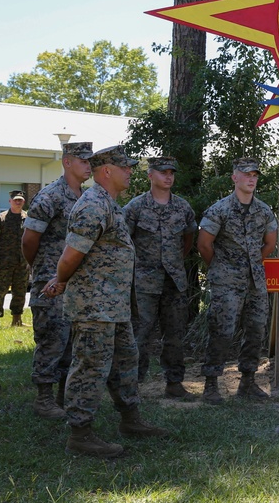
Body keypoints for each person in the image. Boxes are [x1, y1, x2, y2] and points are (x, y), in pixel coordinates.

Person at [44, 145, 168, 457]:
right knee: (90, 367)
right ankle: (80, 433)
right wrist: (59, 280)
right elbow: (71, 255)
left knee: (125, 363)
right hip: (94, 305)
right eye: (125, 167)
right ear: (107, 171)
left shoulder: (109, 204)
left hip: (114, 305)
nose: (130, 172)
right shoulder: (93, 206)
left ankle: (131, 420)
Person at [197, 158, 278, 405]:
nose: (251, 179)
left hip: (255, 281)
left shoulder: (263, 210)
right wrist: (223, 267)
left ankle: (248, 382)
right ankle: (211, 384)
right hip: (226, 282)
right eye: (246, 174)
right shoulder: (219, 209)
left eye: (255, 175)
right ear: (234, 178)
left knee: (256, 330)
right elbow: (204, 244)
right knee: (222, 330)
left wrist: (252, 262)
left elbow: (270, 243)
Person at [22, 141, 93, 420]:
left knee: (72, 341)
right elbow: (29, 240)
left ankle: (65, 395)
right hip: (50, 281)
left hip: (78, 282)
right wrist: (41, 270)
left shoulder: (86, 197)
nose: (88, 166)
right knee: (52, 337)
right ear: (67, 162)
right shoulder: (50, 196)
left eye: (90, 162)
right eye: (83, 161)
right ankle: (44, 398)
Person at [123, 156, 197, 398]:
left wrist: (173, 261)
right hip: (143, 283)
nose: (168, 176)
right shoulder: (135, 208)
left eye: (172, 172)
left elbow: (188, 239)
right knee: (139, 334)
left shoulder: (183, 207)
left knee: (175, 334)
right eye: (163, 172)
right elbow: (125, 242)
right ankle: (133, 384)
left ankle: (174, 383)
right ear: (150, 175)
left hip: (174, 282)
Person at [0, 190, 29, 328]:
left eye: (20, 200)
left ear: (24, 201)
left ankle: (16, 320)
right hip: (4, 262)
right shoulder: (1, 218)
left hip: (22, 263)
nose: (18, 202)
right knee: (0, 291)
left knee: (20, 292)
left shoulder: (28, 218)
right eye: (15, 200)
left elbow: (32, 240)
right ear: (10, 201)